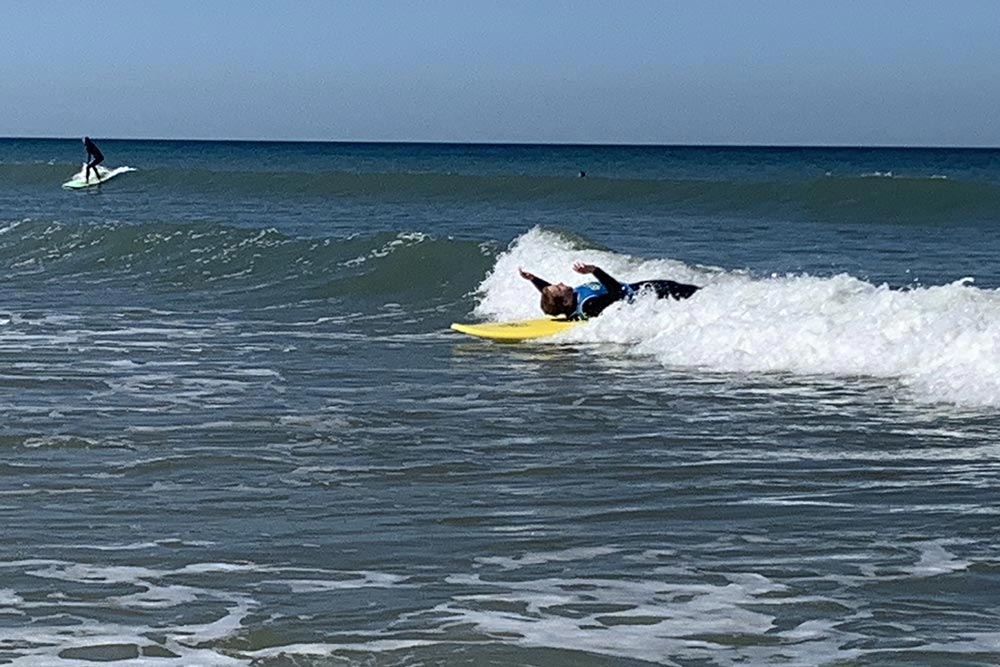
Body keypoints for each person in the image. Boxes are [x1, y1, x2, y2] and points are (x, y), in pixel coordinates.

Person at [519, 262, 699, 320]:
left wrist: (534, 279)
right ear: (565, 302)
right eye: (559, 287)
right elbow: (615, 292)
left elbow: (549, 293)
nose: (559, 283)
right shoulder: (589, 305)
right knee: (697, 295)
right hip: (650, 294)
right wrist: (595, 271)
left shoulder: (570, 301)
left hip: (643, 289)